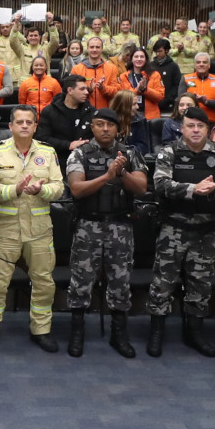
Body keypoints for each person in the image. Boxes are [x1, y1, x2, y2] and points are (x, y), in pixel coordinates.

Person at [146, 111, 215, 357]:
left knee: (200, 285)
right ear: (181, 129)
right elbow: (161, 184)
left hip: (205, 231)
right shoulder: (169, 152)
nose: (195, 130)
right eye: (190, 126)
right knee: (162, 284)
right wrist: (193, 189)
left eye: (200, 126)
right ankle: (156, 332)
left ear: (207, 129)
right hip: (173, 228)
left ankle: (195, 333)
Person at [0, 105, 63, 354]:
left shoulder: (47, 153)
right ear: (11, 126)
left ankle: (41, 330)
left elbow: (59, 187)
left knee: (44, 283)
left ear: (35, 126)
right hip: (5, 230)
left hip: (39, 231)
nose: (25, 126)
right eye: (20, 122)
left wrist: (42, 190)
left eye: (29, 122)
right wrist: (14, 190)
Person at [65, 106, 148, 358]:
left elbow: (142, 188)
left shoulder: (130, 153)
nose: (105, 129)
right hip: (87, 226)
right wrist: (107, 175)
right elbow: (77, 189)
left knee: (120, 283)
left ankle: (118, 335)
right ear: (92, 127)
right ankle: (77, 333)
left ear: (117, 128)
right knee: (81, 282)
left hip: (120, 226)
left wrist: (121, 173)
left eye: (110, 125)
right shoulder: (79, 153)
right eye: (100, 124)